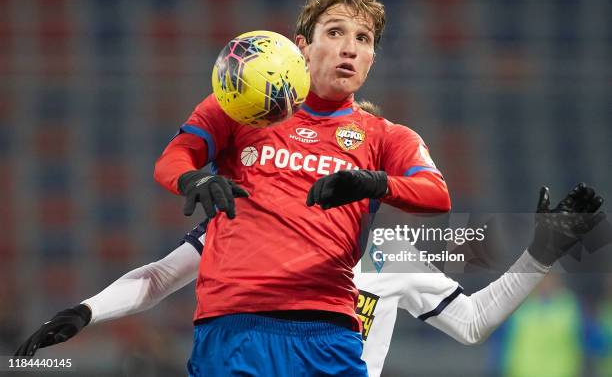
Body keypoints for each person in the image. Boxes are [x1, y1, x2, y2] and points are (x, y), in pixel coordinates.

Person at [152, 0, 451, 376]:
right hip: (235, 325)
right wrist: (191, 179)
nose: (349, 48)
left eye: (363, 39)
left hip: (329, 331)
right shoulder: (244, 102)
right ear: (302, 47)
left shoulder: (385, 136)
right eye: (334, 32)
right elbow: (173, 157)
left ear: (372, 59)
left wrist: (374, 183)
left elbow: (436, 195)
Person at [15, 184, 606, 377]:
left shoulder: (391, 255)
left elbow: (472, 323)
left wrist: (540, 253)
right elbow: (158, 279)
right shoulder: (251, 226)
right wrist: (86, 310)